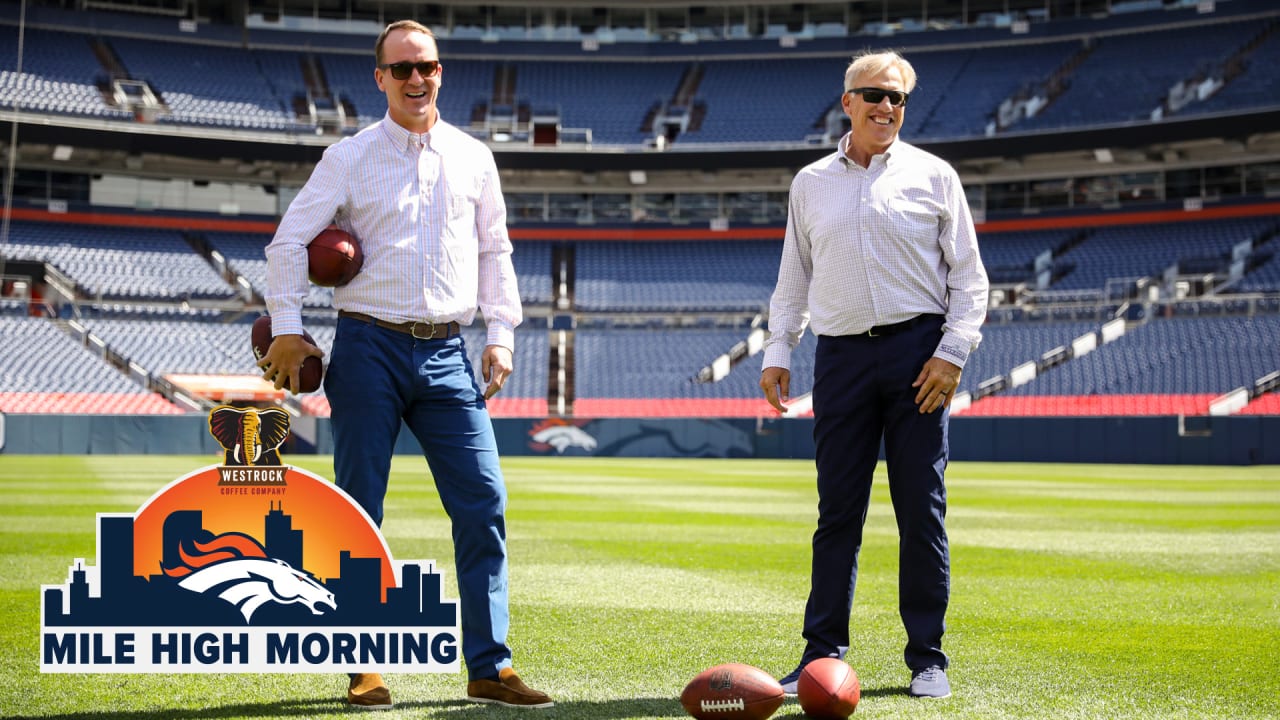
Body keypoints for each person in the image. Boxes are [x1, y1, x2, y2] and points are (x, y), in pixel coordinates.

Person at [259, 19, 552, 711]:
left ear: (440, 71)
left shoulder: (475, 156)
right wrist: (292, 329)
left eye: (427, 65)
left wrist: (502, 332)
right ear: (380, 79)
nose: (417, 78)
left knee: (484, 506)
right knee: (359, 509)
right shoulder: (349, 157)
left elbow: (494, 252)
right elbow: (287, 244)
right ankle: (362, 664)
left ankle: (490, 668)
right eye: (402, 69)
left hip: (451, 352)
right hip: (368, 348)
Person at [759, 49, 989, 700]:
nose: (886, 107)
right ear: (847, 104)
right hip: (839, 359)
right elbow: (793, 277)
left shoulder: (935, 176)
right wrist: (779, 351)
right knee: (838, 516)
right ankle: (820, 655)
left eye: (897, 98)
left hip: (920, 354)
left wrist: (952, 354)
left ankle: (928, 659)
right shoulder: (810, 183)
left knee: (922, 513)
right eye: (874, 95)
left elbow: (970, 280)